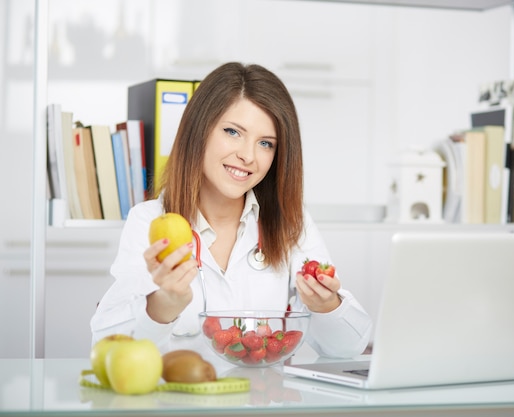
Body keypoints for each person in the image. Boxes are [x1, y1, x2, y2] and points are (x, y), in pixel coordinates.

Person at [90, 62, 372, 362]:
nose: (248, 156)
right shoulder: (149, 221)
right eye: (233, 132)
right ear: (199, 130)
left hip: (264, 403)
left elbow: (349, 347)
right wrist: (163, 305)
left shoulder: (291, 221)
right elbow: (106, 347)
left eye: (265, 143)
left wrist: (326, 304)